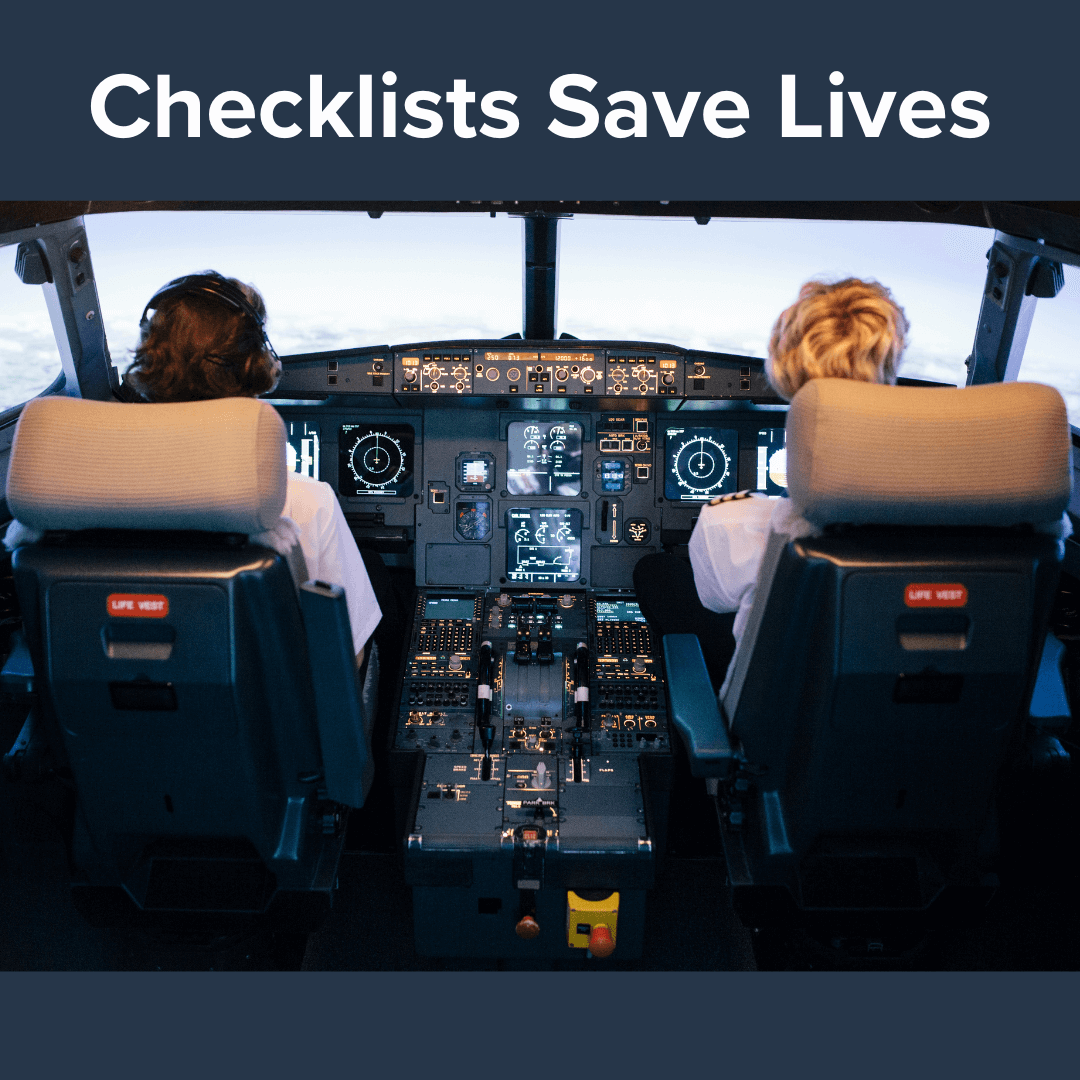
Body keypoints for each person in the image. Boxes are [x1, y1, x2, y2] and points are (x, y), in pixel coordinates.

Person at [634, 277, 909, 692]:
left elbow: (713, 599)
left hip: (771, 747)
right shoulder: (979, 512)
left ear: (785, 369)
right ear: (892, 359)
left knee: (654, 572)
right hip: (914, 726)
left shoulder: (737, 527)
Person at [122, 271, 382, 667]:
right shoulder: (303, 503)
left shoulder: (78, 501)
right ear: (254, 362)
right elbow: (351, 658)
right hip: (270, 727)